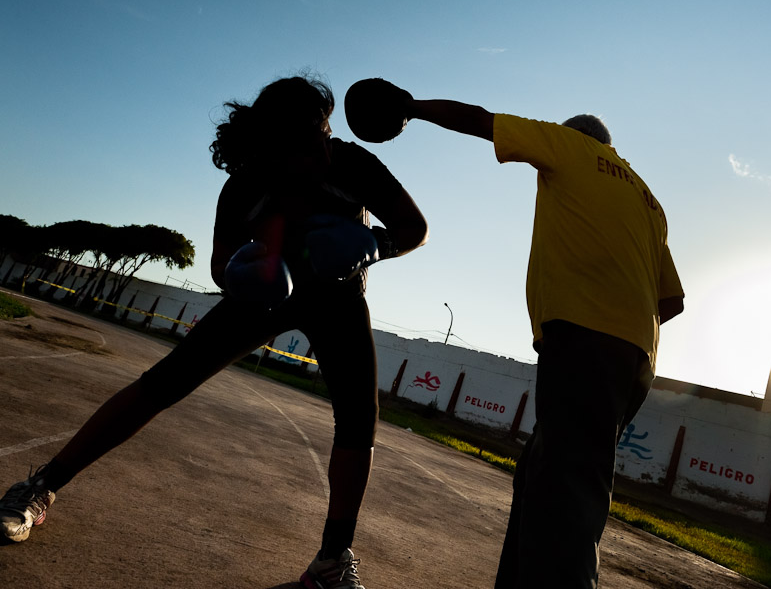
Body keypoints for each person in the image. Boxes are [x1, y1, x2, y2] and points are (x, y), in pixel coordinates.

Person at [0, 74, 429, 589]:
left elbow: (414, 228)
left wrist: (376, 245)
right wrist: (243, 274)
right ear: (274, 144)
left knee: (360, 422)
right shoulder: (247, 183)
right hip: (266, 294)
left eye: (324, 132)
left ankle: (331, 564)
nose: (323, 149)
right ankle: (40, 487)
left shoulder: (353, 163)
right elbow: (220, 262)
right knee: (162, 383)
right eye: (308, 141)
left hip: (338, 298)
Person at [364, 84, 684, 588]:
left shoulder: (569, 146)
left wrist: (413, 108)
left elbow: (483, 120)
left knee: (569, 497)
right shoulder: (648, 198)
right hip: (635, 359)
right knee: (541, 473)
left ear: (571, 136)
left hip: (584, 340)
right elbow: (673, 301)